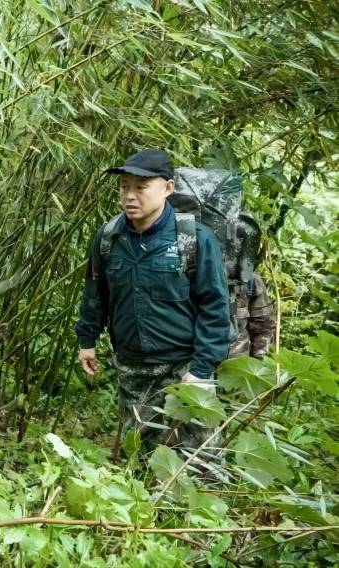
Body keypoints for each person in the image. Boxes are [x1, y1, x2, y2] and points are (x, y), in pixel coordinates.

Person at [75, 149, 231, 455]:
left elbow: (215, 309)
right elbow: (95, 293)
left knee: (199, 458)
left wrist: (200, 371)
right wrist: (87, 340)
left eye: (141, 187)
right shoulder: (108, 238)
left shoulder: (194, 239)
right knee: (141, 456)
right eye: (124, 187)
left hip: (183, 365)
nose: (130, 196)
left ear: (168, 188)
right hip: (132, 367)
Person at [228, 274, 275, 359]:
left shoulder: (250, 280)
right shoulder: (198, 277)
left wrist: (259, 363)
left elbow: (263, 327)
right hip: (201, 364)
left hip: (239, 364)